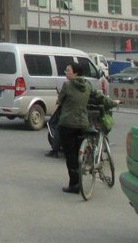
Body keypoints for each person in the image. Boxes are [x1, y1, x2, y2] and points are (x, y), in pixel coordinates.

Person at [57, 62, 116, 193]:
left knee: (70, 155)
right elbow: (99, 97)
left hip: (67, 124)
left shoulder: (67, 85)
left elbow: (60, 100)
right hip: (83, 124)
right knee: (79, 152)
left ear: (75, 72)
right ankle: (82, 176)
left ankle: (75, 184)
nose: (66, 72)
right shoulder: (88, 85)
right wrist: (112, 103)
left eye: (68, 70)